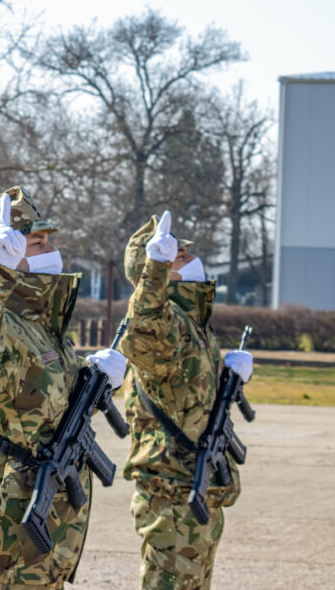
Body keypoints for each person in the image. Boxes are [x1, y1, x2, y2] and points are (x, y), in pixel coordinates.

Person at [0, 188, 128, 590]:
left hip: (37, 544)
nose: (51, 249)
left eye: (48, 240)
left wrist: (93, 382)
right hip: (1, 538)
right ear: (4, 247)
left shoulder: (39, 325)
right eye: (36, 241)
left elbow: (40, 410)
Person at [119, 210, 253, 590]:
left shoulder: (191, 323)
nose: (191, 258)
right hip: (173, 496)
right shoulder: (166, 321)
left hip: (196, 490)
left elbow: (189, 398)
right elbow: (143, 328)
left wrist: (228, 377)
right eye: (177, 256)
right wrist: (155, 270)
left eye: (183, 252)